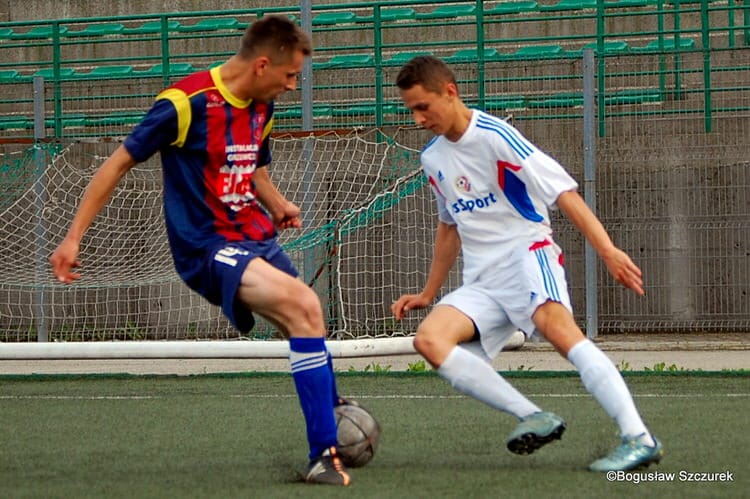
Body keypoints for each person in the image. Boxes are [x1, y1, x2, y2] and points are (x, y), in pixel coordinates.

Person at [49, 15, 351, 487]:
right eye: (290, 75)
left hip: (256, 237)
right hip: (207, 248)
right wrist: (72, 238)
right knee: (304, 305)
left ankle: (334, 414)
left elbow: (252, 165)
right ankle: (324, 454)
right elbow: (116, 164)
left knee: (309, 320)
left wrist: (277, 205)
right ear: (262, 65)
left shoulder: (262, 105)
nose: (294, 86)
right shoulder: (183, 104)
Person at [391, 55, 663, 472]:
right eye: (410, 109)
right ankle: (533, 416)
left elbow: (564, 193)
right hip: (483, 280)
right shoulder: (432, 159)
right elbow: (449, 227)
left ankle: (639, 437)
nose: (417, 119)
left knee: (562, 335)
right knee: (429, 340)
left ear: (450, 92)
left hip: (527, 258)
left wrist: (608, 250)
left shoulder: (497, 136)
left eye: (422, 107)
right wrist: (429, 292)